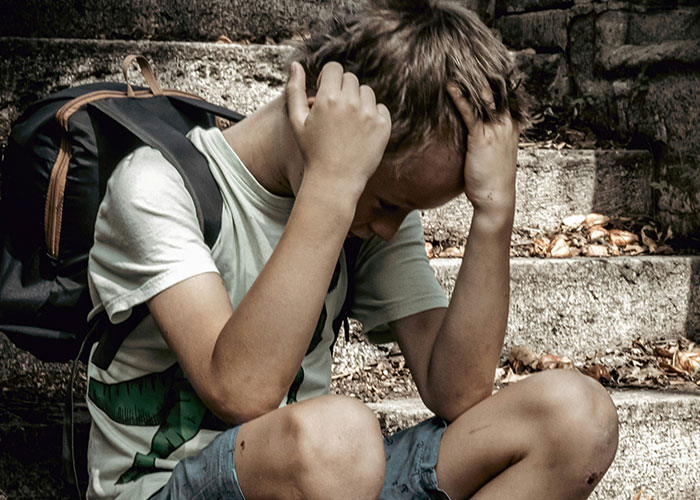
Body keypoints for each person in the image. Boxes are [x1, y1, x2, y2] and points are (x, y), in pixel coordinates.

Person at [85, 0, 619, 498]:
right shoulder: (156, 187)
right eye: (386, 201)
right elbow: (241, 391)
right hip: (175, 484)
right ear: (322, 116)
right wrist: (332, 184)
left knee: (575, 417)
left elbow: (457, 393)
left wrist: (494, 213)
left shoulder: (367, 220)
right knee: (340, 439)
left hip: (334, 475)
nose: (389, 227)